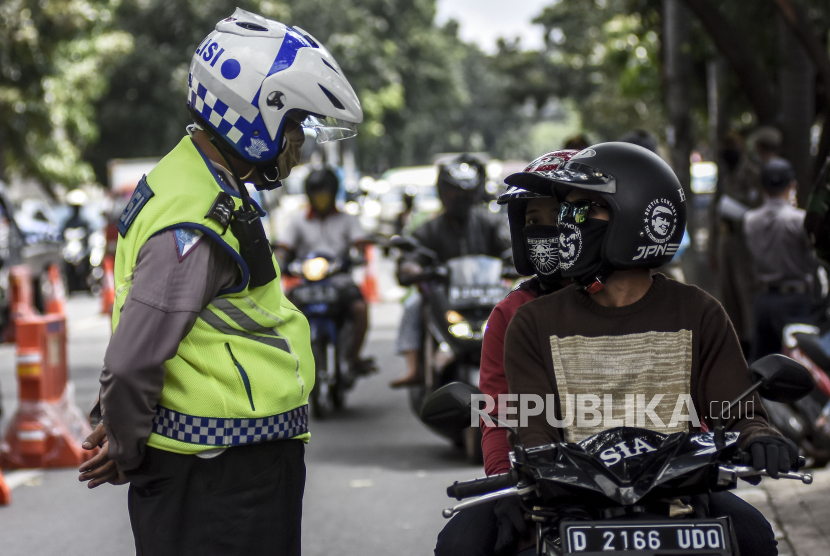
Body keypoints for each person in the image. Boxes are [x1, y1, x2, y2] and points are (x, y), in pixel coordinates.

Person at [76, 10, 363, 556]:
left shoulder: (192, 181)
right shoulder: (202, 217)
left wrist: (117, 424)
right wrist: (125, 442)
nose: (300, 144)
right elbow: (135, 358)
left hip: (226, 470)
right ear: (256, 115)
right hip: (221, 481)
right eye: (297, 125)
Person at [503, 142, 795, 556]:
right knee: (462, 541)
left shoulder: (698, 312)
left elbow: (738, 412)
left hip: (682, 500)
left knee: (756, 539)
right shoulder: (532, 322)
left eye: (583, 209)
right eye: (567, 210)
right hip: (571, 506)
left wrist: (761, 437)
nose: (568, 223)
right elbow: (534, 430)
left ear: (637, 214)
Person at [433, 150, 577, 556]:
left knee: (750, 535)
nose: (545, 231)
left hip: (647, 477)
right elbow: (497, 411)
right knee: (459, 544)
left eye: (558, 217)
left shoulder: (645, 298)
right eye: (533, 222)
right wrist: (506, 483)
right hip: (543, 477)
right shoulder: (512, 312)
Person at [390, 155, 511, 388]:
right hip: (445, 296)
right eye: (454, 193)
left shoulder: (490, 223)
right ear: (443, 193)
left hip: (488, 294)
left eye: (466, 193)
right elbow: (413, 254)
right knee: (413, 306)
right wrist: (411, 266)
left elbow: (509, 247)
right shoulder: (429, 228)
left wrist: (517, 259)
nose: (460, 199)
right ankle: (414, 368)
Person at [278, 167, 374, 375]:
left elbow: (360, 244)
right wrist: (279, 261)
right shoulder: (297, 221)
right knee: (284, 311)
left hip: (339, 280)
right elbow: (283, 248)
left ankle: (354, 357)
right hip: (306, 282)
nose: (321, 197)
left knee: (359, 309)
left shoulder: (347, 219)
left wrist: (358, 255)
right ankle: (289, 361)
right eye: (316, 192)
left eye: (325, 192)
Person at [744, 158, 817, 361]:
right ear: (792, 185)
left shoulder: (750, 220)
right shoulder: (799, 219)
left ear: (762, 187)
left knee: (763, 365)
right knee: (798, 365)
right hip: (795, 301)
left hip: (764, 300)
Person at [710, 129, 763, 355]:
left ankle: (752, 341)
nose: (726, 154)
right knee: (727, 292)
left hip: (744, 242)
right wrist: (712, 247)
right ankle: (737, 340)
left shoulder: (752, 173)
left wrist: (737, 210)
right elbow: (715, 211)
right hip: (725, 240)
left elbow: (757, 209)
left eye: (729, 149)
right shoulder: (723, 174)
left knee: (746, 291)